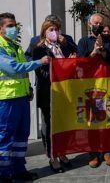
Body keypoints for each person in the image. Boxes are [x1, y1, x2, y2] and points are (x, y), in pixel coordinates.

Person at [0, 12, 50, 182]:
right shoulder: (0, 47)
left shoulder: (15, 46)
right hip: (6, 99)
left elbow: (21, 74)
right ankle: (3, 174)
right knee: (6, 136)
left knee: (21, 136)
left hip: (21, 97)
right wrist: (39, 62)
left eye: (15, 25)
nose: (14, 28)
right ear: (0, 29)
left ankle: (18, 170)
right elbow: (13, 68)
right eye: (10, 25)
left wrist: (28, 87)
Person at [32, 19, 76, 173]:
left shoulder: (61, 47)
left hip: (64, 92)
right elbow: (43, 73)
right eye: (51, 29)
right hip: (49, 93)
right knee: (50, 126)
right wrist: (63, 66)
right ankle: (52, 156)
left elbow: (74, 58)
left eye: (57, 29)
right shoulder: (39, 49)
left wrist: (69, 62)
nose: (55, 32)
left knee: (63, 123)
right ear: (44, 31)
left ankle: (62, 152)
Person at [77, 13, 110, 167]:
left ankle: (107, 151)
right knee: (92, 119)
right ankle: (93, 153)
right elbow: (79, 62)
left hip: (107, 85)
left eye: (100, 23)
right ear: (89, 24)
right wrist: (93, 52)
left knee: (107, 117)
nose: (98, 25)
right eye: (95, 23)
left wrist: (103, 51)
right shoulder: (83, 41)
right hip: (89, 87)